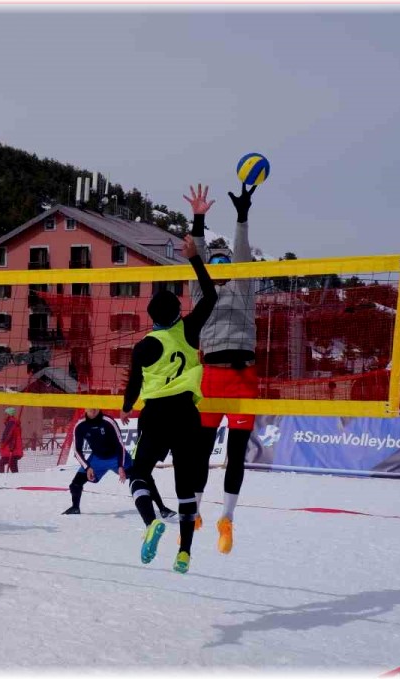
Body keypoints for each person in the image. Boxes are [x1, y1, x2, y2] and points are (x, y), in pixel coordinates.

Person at [120, 225, 217, 574]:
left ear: (152, 318)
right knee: (185, 486)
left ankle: (151, 522)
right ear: (178, 310)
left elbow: (133, 386)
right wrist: (195, 259)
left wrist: (127, 407)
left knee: (138, 472)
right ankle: (185, 552)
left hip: (156, 415)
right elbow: (210, 295)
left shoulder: (143, 345)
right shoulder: (189, 330)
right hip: (187, 415)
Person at [187, 183, 258, 555]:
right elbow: (194, 255)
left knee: (237, 452)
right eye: (213, 262)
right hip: (211, 378)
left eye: (224, 261)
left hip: (243, 377)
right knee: (200, 453)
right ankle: (195, 511)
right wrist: (198, 218)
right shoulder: (202, 294)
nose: (217, 265)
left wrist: (241, 217)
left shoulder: (244, 288)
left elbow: (243, 253)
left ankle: (227, 517)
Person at [63, 409, 176, 517]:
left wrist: (121, 466)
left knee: (143, 474)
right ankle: (75, 507)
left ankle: (162, 508)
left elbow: (120, 445)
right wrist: (87, 467)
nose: (93, 410)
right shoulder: (80, 425)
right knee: (75, 484)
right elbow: (77, 451)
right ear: (85, 409)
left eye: (95, 407)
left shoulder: (108, 421)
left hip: (116, 457)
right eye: (90, 407)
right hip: (97, 458)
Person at [0, 407, 23, 473]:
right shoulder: (14, 423)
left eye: (5, 414)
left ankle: (2, 480)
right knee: (13, 468)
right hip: (14, 450)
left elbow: (7, 436)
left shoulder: (11, 423)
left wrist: (2, 445)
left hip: (10, 449)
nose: (4, 416)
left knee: (0, 465)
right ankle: (16, 482)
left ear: (9, 415)